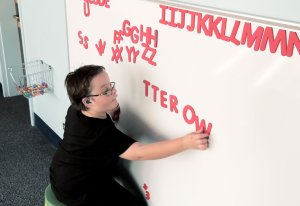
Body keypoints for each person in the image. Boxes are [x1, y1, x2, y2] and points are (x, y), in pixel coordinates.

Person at [49, 65, 210, 206]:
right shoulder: (99, 134)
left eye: (111, 86)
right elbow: (139, 153)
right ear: (88, 102)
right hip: (77, 189)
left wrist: (110, 107)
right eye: (106, 91)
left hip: (59, 173)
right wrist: (185, 143)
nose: (114, 92)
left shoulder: (75, 110)